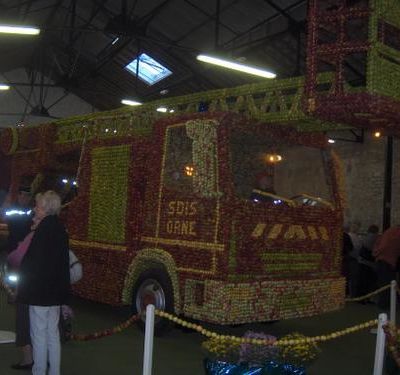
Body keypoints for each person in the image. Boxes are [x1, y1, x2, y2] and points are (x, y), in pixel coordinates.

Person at [17, 191, 70, 375]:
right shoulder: (60, 229)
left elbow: (33, 263)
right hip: (55, 293)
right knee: (53, 335)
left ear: (46, 208)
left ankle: (38, 371)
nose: (34, 208)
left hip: (39, 292)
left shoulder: (42, 231)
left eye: (37, 206)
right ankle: (54, 371)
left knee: (38, 335)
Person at [373, 225, 400, 310]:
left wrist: (376, 253)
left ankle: (385, 304)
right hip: (387, 263)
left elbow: (379, 243)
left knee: (385, 284)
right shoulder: (396, 233)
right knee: (387, 285)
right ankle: (384, 305)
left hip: (382, 261)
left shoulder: (389, 231)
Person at [358, 225, 379, 299]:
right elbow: (372, 249)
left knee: (363, 280)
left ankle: (362, 297)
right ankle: (365, 297)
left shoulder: (366, 237)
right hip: (368, 262)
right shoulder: (374, 238)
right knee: (367, 281)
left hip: (363, 261)